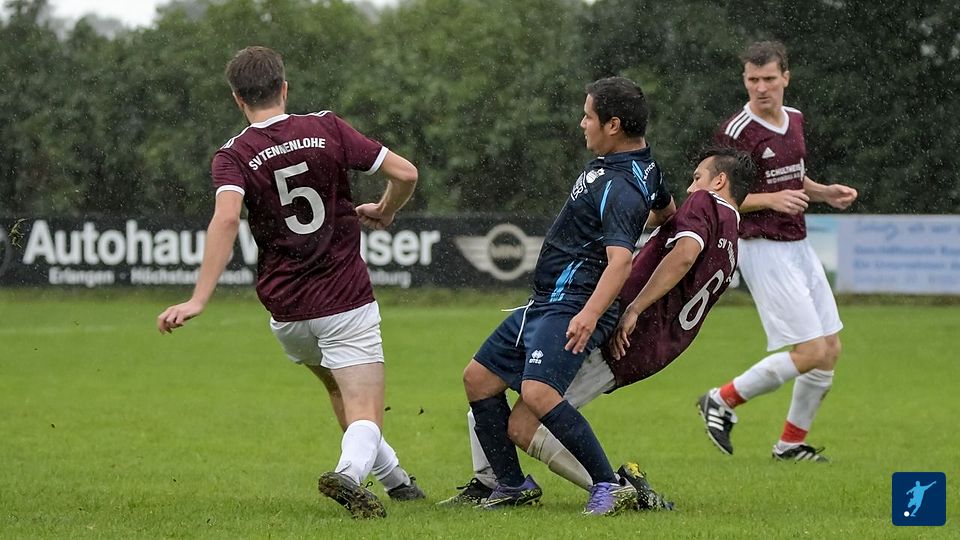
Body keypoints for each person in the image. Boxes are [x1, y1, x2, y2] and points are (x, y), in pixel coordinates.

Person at [156, 46, 423, 519]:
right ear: (284, 87)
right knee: (365, 409)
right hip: (344, 300)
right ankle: (348, 475)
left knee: (338, 390)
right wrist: (385, 210)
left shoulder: (233, 155)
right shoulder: (326, 128)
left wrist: (199, 299)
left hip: (288, 312)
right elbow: (406, 173)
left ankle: (398, 483)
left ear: (238, 98)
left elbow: (226, 219)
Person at [443, 146, 753, 510]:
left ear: (719, 181)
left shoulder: (705, 203)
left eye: (697, 177)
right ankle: (494, 482)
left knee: (523, 423)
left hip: (623, 337)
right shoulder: (731, 239)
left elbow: (683, 255)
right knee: (488, 386)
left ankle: (619, 488)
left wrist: (634, 307)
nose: (690, 187)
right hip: (652, 347)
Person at [461, 76, 676, 516]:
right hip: (548, 301)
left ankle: (608, 485)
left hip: (573, 303)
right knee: (478, 379)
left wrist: (591, 314)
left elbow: (621, 262)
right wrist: (634, 223)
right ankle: (511, 485)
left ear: (613, 125)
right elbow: (666, 212)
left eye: (588, 115)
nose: (582, 123)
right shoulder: (642, 167)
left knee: (539, 393)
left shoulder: (620, 185)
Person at [696, 40, 858, 462]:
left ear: (786, 77)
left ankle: (789, 444)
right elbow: (710, 196)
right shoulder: (736, 132)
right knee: (811, 352)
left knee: (830, 349)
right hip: (762, 247)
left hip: (798, 242)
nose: (761, 87)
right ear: (744, 80)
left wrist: (824, 193)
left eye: (769, 78)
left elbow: (792, 178)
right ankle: (722, 399)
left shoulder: (795, 119)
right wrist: (771, 200)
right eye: (753, 79)